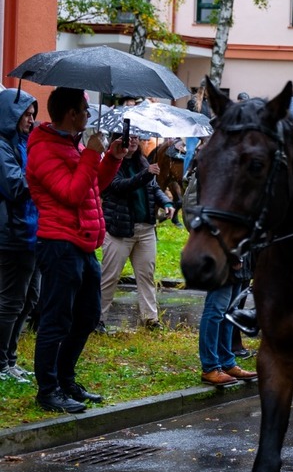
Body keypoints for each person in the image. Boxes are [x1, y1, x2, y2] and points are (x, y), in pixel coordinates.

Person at [26, 87, 129, 413]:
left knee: (86, 317)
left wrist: (111, 157)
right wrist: (90, 155)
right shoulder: (43, 150)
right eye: (85, 111)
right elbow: (70, 194)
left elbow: (91, 187)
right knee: (56, 321)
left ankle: (66, 380)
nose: (88, 116)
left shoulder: (72, 146)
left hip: (82, 245)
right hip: (58, 245)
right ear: (71, 114)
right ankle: (48, 390)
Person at [98, 136, 175, 330]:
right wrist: (146, 174)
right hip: (119, 230)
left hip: (146, 229)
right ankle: (97, 319)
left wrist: (166, 202)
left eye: (136, 138)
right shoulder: (111, 162)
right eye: (128, 137)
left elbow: (153, 187)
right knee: (109, 277)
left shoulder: (142, 161)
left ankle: (150, 319)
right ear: (118, 139)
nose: (132, 141)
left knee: (146, 275)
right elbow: (119, 186)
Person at [0, 89, 40, 385]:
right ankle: (1, 363)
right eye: (26, 114)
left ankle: (11, 359)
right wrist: (42, 174)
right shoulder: (1, 147)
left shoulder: (25, 144)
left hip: (33, 233)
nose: (31, 120)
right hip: (11, 233)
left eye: (32, 114)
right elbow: (14, 185)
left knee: (30, 300)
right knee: (11, 302)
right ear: (10, 115)